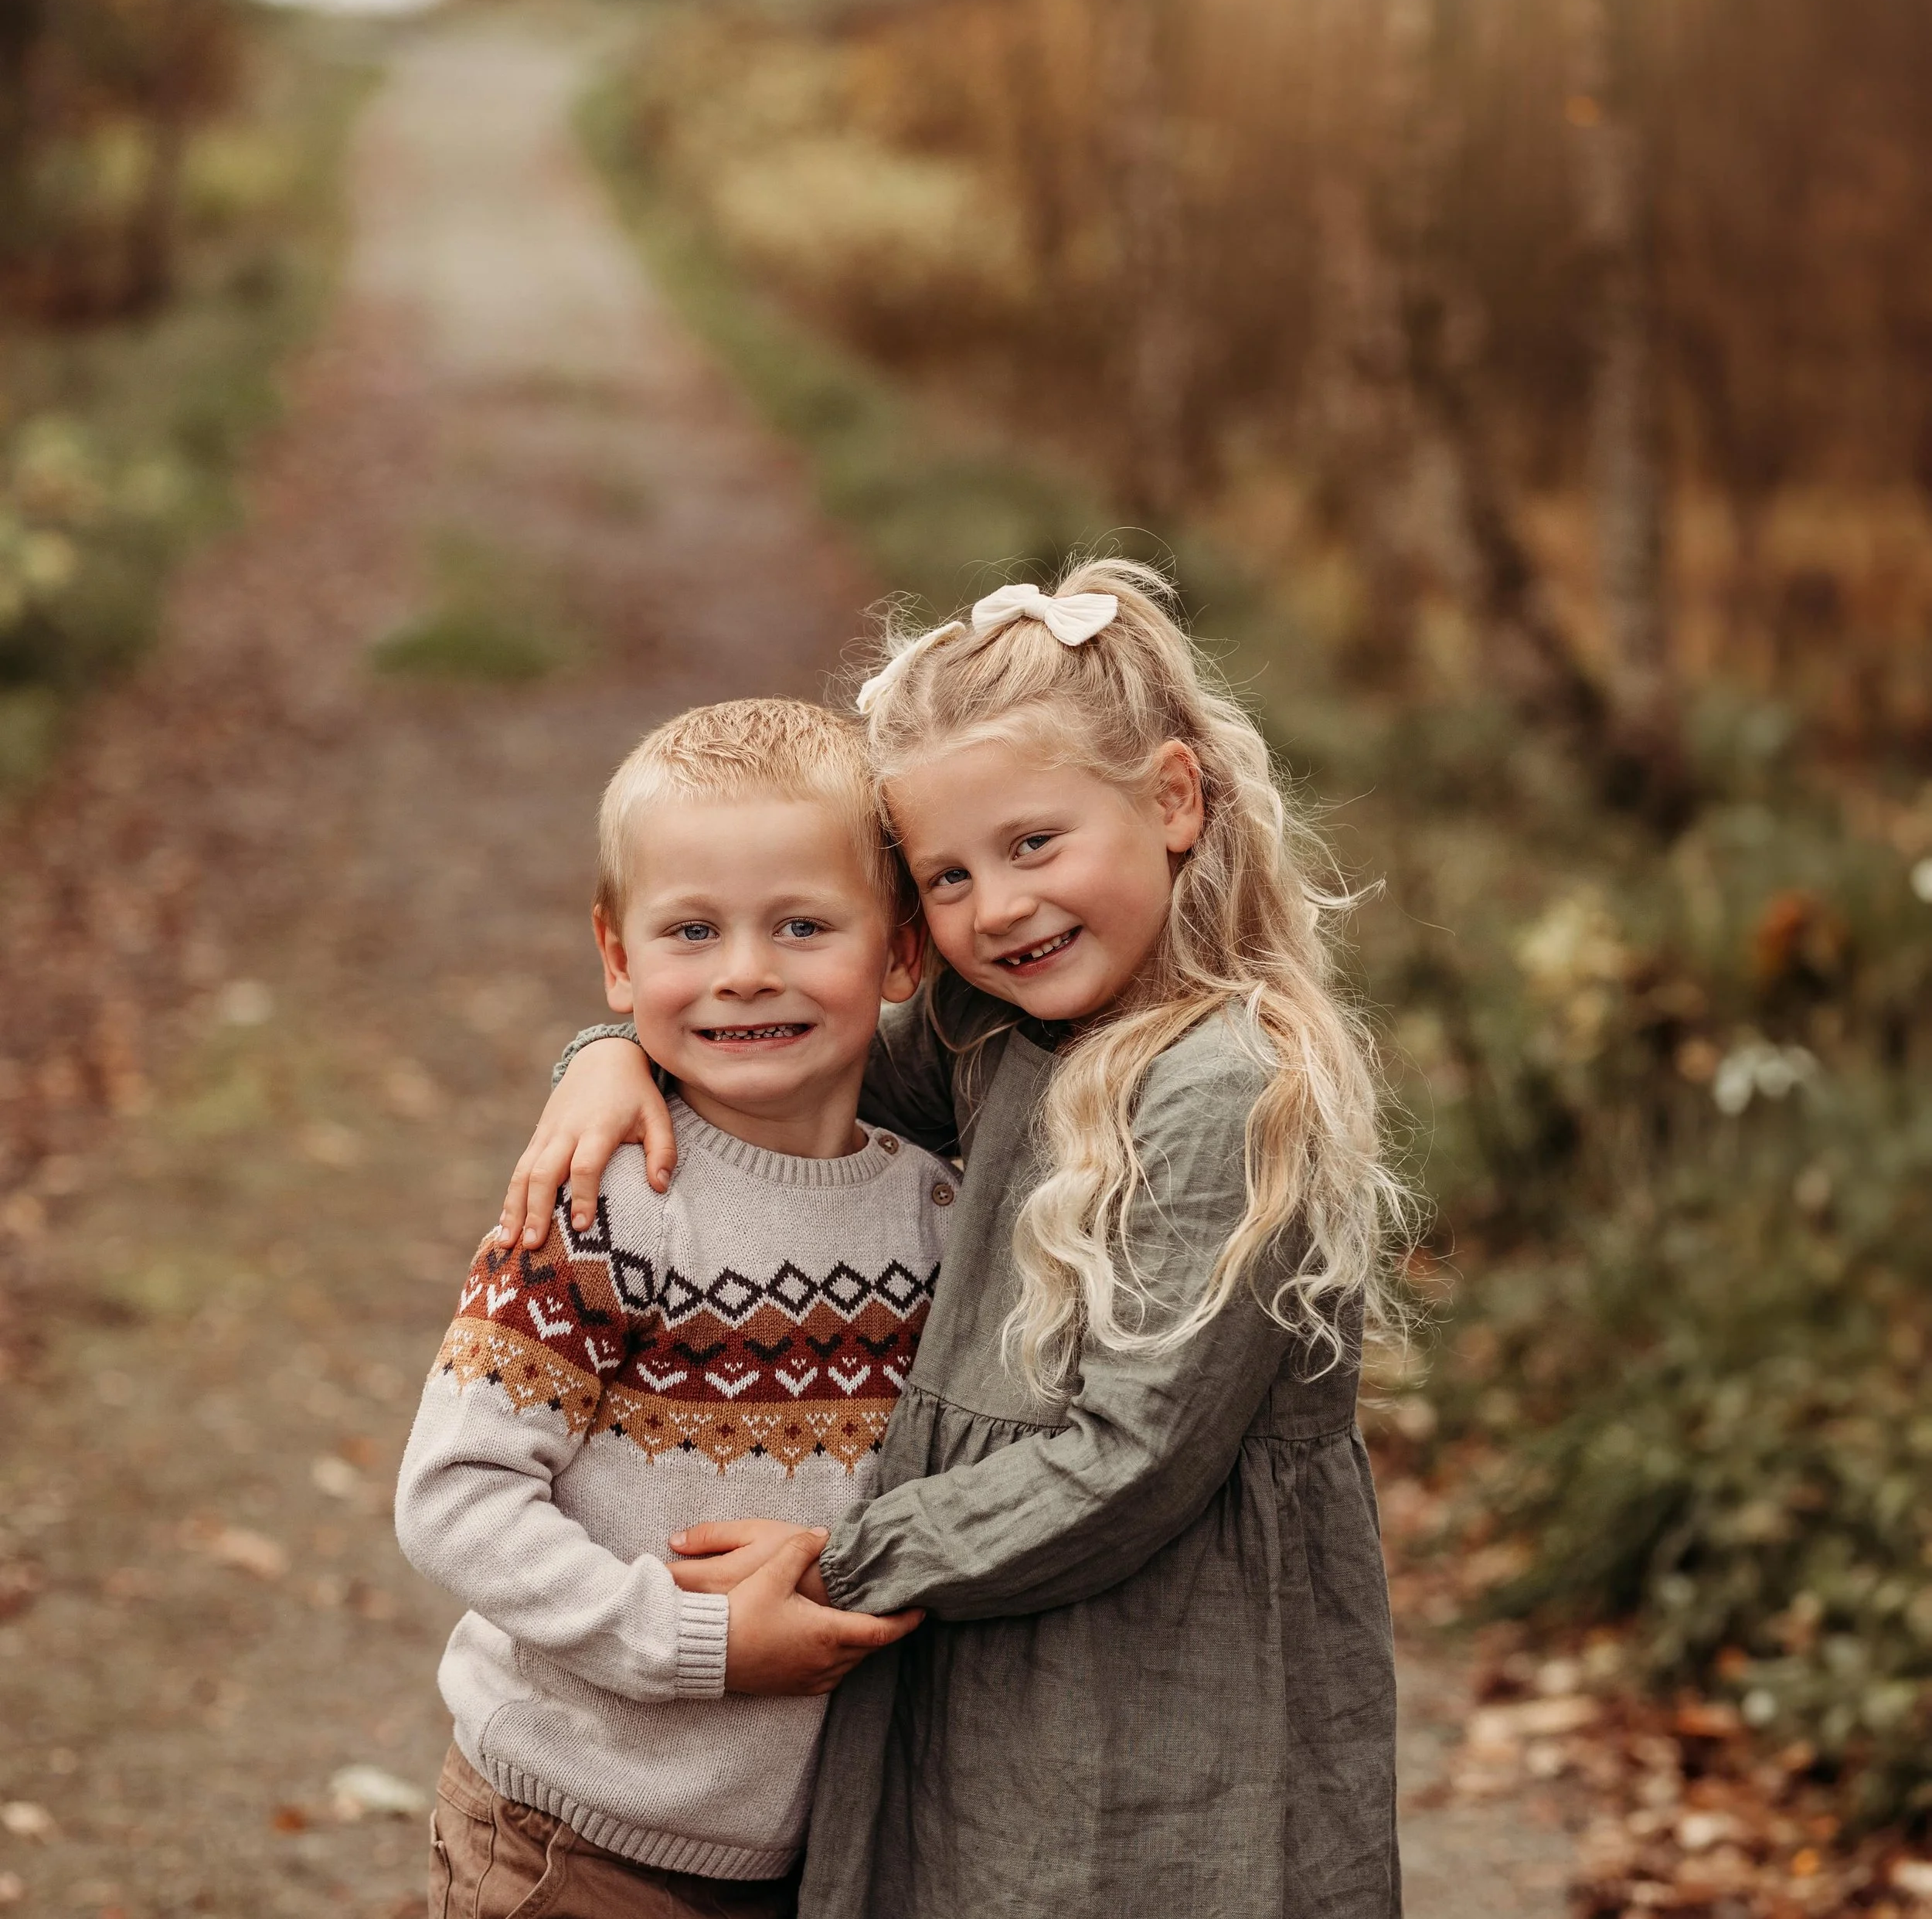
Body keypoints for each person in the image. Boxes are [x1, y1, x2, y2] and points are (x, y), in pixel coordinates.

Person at [504, 559, 1410, 1917]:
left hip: (1159, 1646)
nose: (997, 908)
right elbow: (776, 1054)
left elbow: (1135, 1457)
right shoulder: (1005, 1031)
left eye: (1035, 845)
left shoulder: (1229, 1085)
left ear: (1173, 799)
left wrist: (842, 1560)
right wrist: (607, 1051)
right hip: (991, 1608)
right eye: (945, 876)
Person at [395, 698, 954, 1919]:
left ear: (902, 952)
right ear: (618, 957)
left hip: (811, 1851)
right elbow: (456, 1495)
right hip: (570, 1832)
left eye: (803, 925)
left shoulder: (939, 1215)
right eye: (692, 930)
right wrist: (689, 1644)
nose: (747, 970)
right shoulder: (601, 1205)